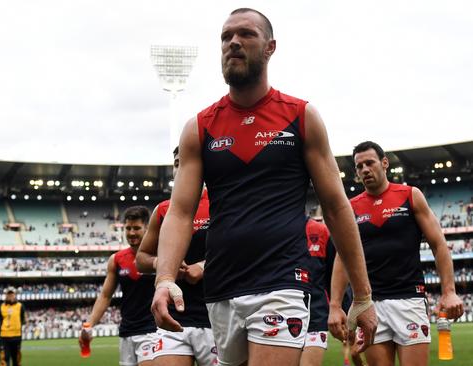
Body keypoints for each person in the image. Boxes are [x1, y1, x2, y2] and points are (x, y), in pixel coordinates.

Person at [150, 8, 377, 366]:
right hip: (222, 287)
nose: (234, 43)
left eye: (245, 34)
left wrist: (362, 296)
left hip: (282, 279)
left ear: (270, 47)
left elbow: (335, 208)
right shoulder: (199, 127)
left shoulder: (301, 116)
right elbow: (180, 212)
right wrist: (164, 278)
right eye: (226, 37)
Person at [328, 141, 464, 366]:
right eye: (359, 166)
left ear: (384, 163)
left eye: (369, 163)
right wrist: (334, 305)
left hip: (409, 300)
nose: (364, 170)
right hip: (371, 304)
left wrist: (448, 291)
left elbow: (439, 244)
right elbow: (343, 257)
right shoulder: (350, 207)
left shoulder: (410, 195)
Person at [135, 147, 217, 366]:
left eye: (186, 161)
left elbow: (242, 251)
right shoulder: (163, 210)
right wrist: (163, 263)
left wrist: (204, 266)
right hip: (174, 318)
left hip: (217, 318)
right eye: (176, 163)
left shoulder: (221, 203)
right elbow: (141, 258)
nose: (180, 168)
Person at [80, 206, 157, 366]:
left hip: (154, 331)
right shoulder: (116, 259)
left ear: (147, 228)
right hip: (126, 332)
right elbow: (105, 296)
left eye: (137, 228)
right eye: (128, 228)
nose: (131, 232)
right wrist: (89, 325)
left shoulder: (160, 255)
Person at [300, 216, 331, 366]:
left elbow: (333, 277)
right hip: (279, 314)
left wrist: (340, 308)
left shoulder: (320, 231)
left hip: (316, 316)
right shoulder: (274, 230)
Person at [0, 287, 26, 366]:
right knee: (3, 360)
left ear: (15, 295)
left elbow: (23, 320)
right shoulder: (0, 307)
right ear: (5, 295)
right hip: (4, 337)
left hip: (16, 336)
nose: (10, 296)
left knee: (17, 360)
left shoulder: (20, 306)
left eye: (12, 294)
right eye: (8, 294)